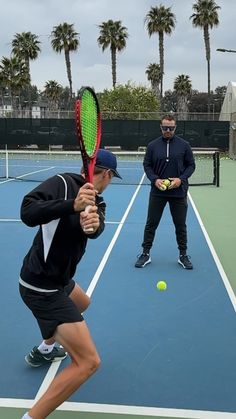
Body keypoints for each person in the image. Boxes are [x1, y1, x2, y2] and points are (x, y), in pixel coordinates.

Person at [19, 149, 122, 419]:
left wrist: (93, 225)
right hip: (41, 287)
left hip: (60, 280)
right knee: (88, 362)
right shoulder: (62, 183)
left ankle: (44, 349)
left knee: (83, 303)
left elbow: (96, 230)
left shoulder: (96, 200)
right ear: (108, 174)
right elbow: (27, 212)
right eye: (112, 178)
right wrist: (72, 206)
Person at [135, 114, 195, 270]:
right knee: (151, 224)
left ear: (175, 128)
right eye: (165, 127)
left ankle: (183, 255)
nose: (168, 130)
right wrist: (155, 179)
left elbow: (191, 166)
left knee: (180, 225)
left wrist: (180, 179)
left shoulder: (184, 145)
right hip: (158, 193)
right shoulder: (152, 146)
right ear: (160, 127)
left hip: (178, 193)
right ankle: (145, 253)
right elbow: (147, 165)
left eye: (171, 128)